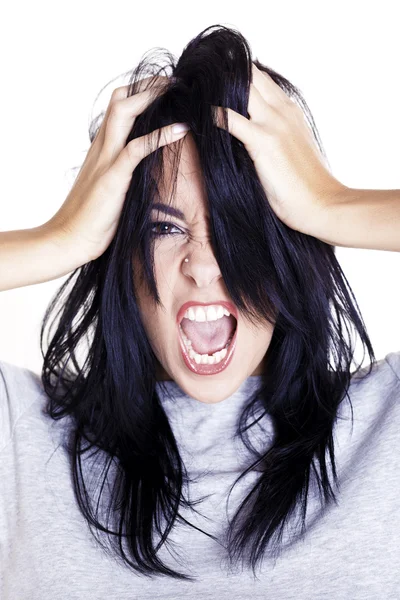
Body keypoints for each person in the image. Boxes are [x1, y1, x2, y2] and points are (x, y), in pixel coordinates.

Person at [1, 25, 400, 598]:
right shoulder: (21, 439)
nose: (205, 266)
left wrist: (335, 206)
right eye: (164, 227)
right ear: (124, 254)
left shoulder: (383, 427)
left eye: (239, 229)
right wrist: (58, 240)